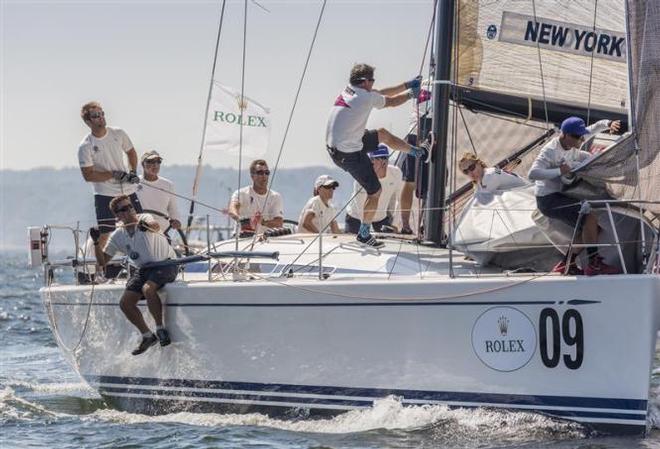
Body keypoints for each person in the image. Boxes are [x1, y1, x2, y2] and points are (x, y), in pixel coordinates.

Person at [326, 63, 430, 247]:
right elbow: (390, 101)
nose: (374, 83)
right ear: (365, 81)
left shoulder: (351, 91)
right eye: (372, 80)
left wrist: (408, 84)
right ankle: (364, 234)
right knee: (375, 191)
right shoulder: (364, 98)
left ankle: (416, 152)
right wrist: (411, 95)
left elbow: (382, 92)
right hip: (348, 153)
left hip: (343, 144)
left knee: (382, 134)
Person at [528, 116, 621, 276]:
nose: (581, 140)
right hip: (548, 200)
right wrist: (559, 171)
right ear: (566, 135)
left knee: (593, 229)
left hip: (560, 194)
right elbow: (532, 174)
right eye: (578, 137)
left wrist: (609, 124)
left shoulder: (575, 140)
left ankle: (565, 264)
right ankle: (594, 265)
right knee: (590, 217)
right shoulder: (550, 151)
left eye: (582, 136)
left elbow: (595, 127)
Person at [90, 195, 177, 355]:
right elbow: (102, 261)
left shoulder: (144, 218)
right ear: (117, 215)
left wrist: (146, 226)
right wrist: (96, 242)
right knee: (125, 303)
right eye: (124, 209)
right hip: (144, 269)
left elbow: (155, 225)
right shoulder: (118, 235)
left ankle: (160, 329)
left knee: (148, 289)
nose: (130, 210)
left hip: (165, 264)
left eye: (130, 206)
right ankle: (147, 336)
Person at [78, 101, 142, 251]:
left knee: (140, 225)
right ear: (88, 121)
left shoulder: (118, 133)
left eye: (102, 113)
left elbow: (131, 152)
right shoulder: (85, 146)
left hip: (127, 190)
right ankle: (100, 269)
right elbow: (88, 175)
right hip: (104, 194)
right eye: (95, 115)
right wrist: (112, 174)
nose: (100, 117)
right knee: (105, 233)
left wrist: (132, 172)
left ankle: (141, 262)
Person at [397, 86, 433, 234]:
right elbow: (423, 110)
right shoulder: (427, 85)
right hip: (417, 135)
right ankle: (405, 224)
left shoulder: (442, 85)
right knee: (410, 180)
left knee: (432, 182)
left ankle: (427, 225)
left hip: (435, 136)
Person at [345, 145, 403, 234]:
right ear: (371, 160)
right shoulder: (362, 176)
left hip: (380, 217)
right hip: (357, 217)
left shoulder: (396, 173)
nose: (383, 162)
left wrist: (395, 224)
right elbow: (360, 206)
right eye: (378, 158)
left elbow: (400, 199)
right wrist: (366, 228)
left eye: (385, 158)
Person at [228, 160, 284, 234]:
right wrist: (239, 218)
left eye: (267, 173)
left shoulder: (275, 197)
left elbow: (279, 223)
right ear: (252, 176)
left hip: (265, 241)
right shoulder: (241, 193)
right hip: (242, 239)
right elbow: (232, 208)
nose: (264, 176)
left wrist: (262, 222)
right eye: (260, 173)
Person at [136, 150, 181, 234]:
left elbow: (173, 210)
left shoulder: (168, 185)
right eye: (150, 161)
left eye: (158, 162)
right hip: (139, 229)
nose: (155, 165)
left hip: (162, 232)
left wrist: (176, 220)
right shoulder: (133, 184)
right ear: (143, 164)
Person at [458, 153, 528, 194]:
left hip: (527, 194)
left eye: (471, 167)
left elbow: (483, 202)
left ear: (479, 163)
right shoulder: (480, 181)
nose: (470, 173)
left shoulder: (490, 175)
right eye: (465, 171)